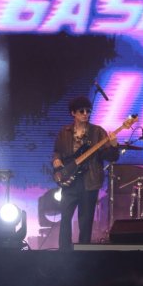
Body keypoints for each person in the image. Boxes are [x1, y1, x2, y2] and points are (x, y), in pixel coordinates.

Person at [52, 96, 119, 250]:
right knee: (65, 217)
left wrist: (114, 145)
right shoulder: (64, 132)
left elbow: (111, 157)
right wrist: (56, 160)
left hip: (90, 181)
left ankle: (83, 253)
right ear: (73, 113)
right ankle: (64, 252)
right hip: (69, 181)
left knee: (86, 221)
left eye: (88, 111)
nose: (85, 114)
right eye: (81, 111)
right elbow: (57, 151)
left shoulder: (98, 132)